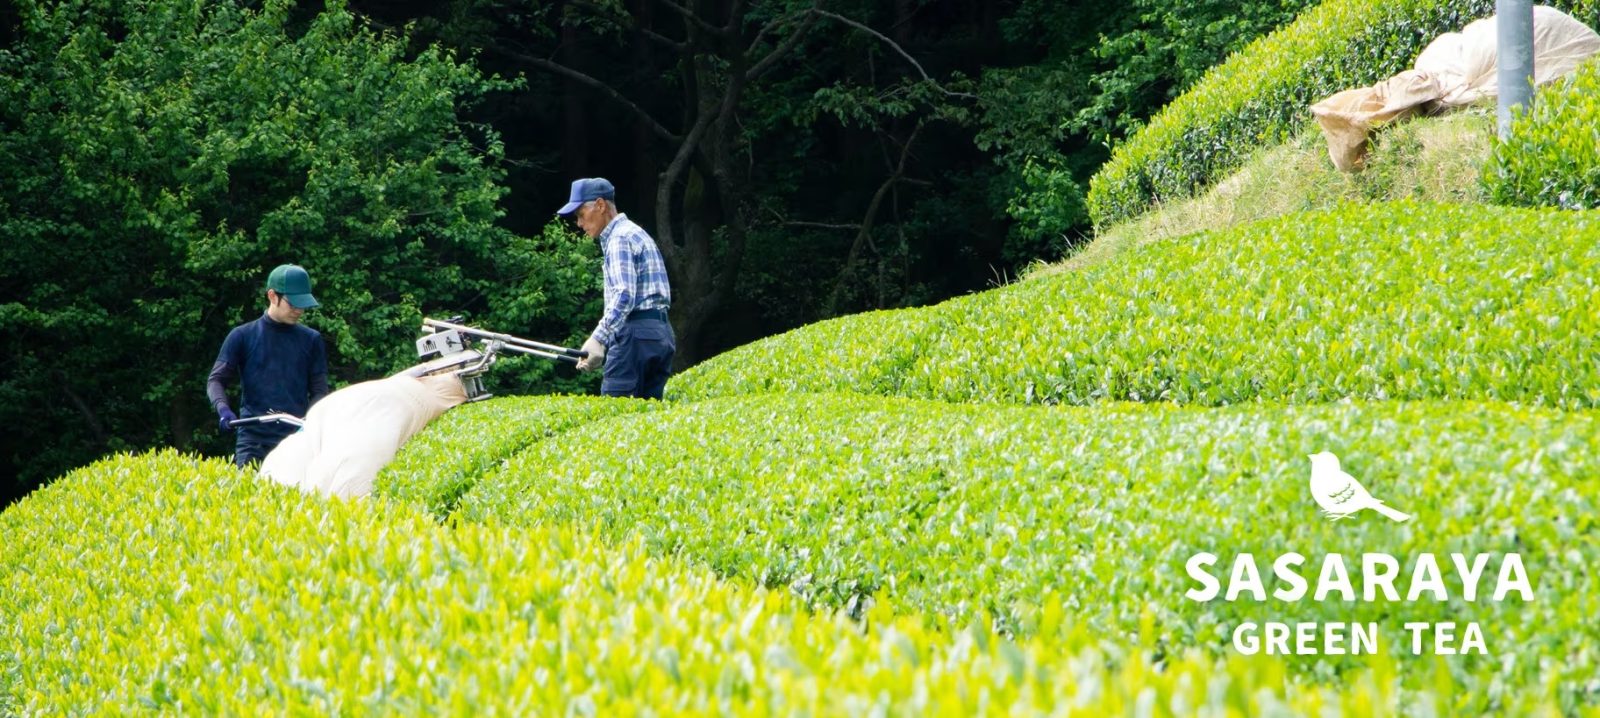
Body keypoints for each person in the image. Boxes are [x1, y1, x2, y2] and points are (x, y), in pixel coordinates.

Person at [557, 177, 675, 399]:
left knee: (615, 414)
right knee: (650, 419)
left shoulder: (618, 238)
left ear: (600, 205)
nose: (579, 224)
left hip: (635, 333)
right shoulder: (636, 232)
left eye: (581, 215)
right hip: (661, 333)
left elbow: (624, 295)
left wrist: (598, 339)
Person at [207, 264, 330, 467]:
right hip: (253, 439)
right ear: (272, 296)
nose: (299, 310)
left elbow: (319, 390)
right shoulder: (242, 336)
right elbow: (216, 379)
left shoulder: (311, 340)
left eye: (303, 305)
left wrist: (309, 421)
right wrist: (223, 409)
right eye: (293, 304)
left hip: (296, 439)